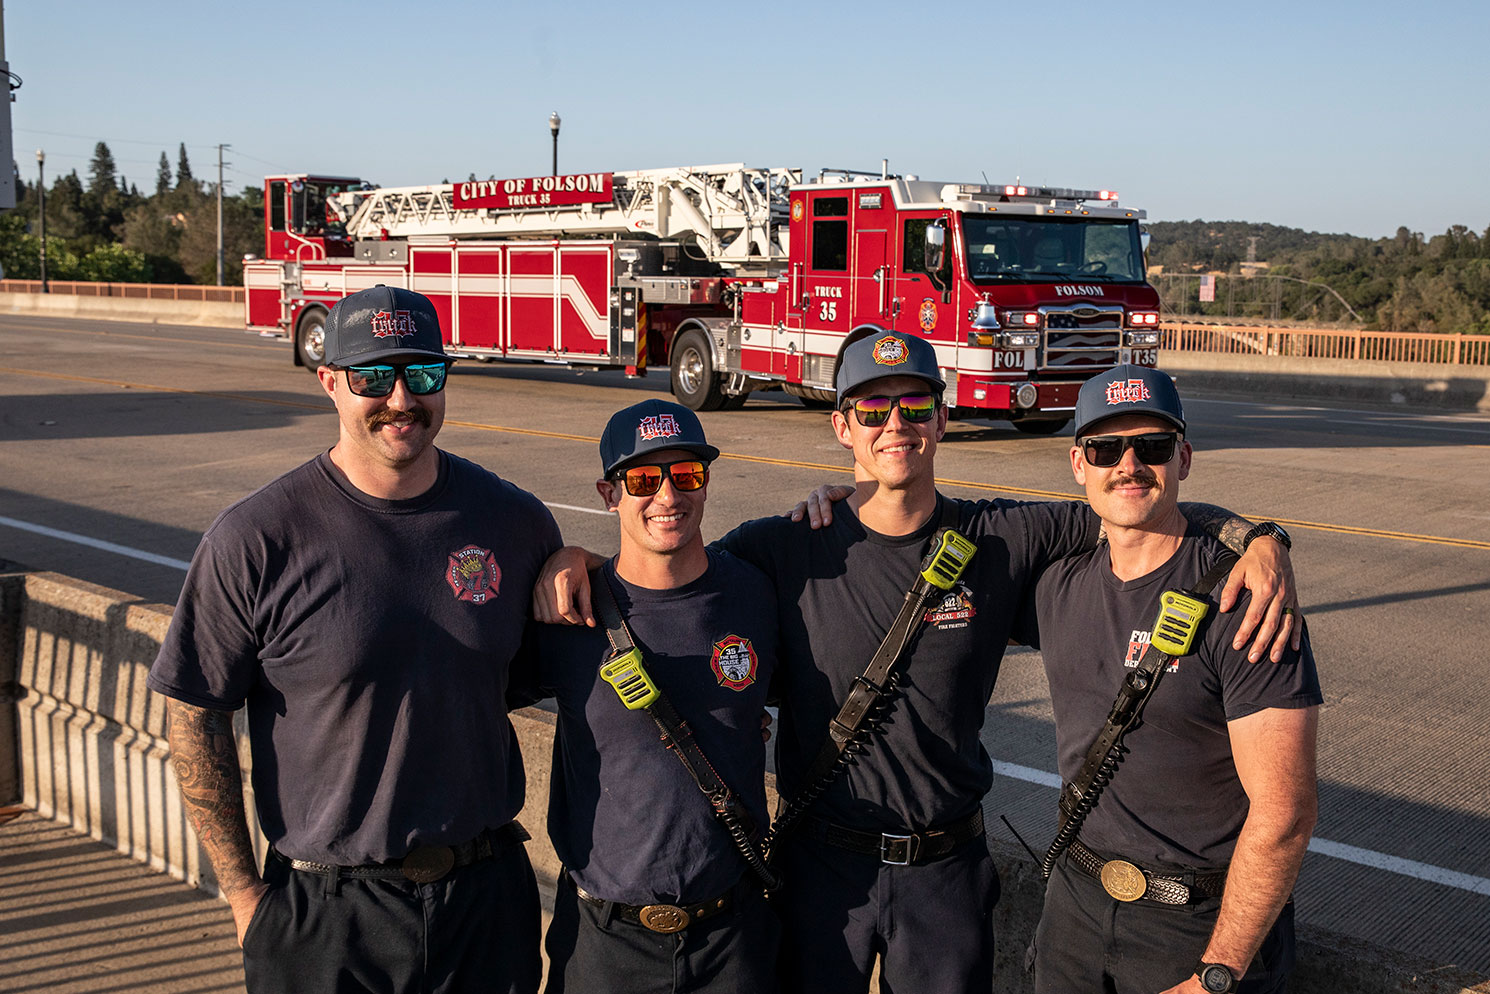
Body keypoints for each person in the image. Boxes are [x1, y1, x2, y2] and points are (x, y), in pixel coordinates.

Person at [536, 329, 1298, 994]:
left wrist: (1255, 537)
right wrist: (577, 561)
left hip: (945, 873)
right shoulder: (782, 547)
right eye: (872, 409)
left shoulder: (1006, 537)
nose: (893, 424)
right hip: (818, 874)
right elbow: (668, 583)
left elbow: (1134, 499)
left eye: (913, 405)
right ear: (842, 426)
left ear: (941, 416)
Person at [148, 285, 560, 994]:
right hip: (326, 914)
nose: (401, 399)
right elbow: (194, 711)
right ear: (330, 382)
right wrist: (245, 897)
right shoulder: (255, 538)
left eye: (423, 374)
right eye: (374, 377)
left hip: (484, 902)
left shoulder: (515, 524)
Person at [1024, 365, 1321, 994]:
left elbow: (1285, 814)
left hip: (1194, 926)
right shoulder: (1055, 582)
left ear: (1183, 458)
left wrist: (1217, 973)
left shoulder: (1248, 601)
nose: (1128, 464)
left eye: (1152, 447)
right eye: (1106, 448)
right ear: (1079, 463)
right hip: (1072, 912)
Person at [515, 399, 781, 994]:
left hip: (733, 939)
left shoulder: (758, 596)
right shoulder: (568, 614)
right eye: (642, 478)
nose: (667, 495)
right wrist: (568, 558)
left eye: (686, 474)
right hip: (604, 942)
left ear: (706, 485)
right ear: (609, 495)